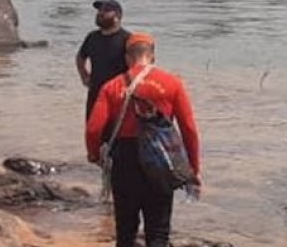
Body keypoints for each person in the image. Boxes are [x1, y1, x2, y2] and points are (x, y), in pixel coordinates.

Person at [85, 33, 201, 247]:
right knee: (158, 232)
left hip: (125, 160)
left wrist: (94, 155)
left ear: (127, 58)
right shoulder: (172, 83)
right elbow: (189, 129)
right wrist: (193, 168)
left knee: (126, 231)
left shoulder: (112, 86)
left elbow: (93, 129)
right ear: (153, 56)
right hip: (161, 160)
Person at [75, 0, 131, 118]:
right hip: (95, 95)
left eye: (105, 10)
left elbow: (136, 67)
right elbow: (80, 57)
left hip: (118, 97)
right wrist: (84, 76)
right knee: (92, 132)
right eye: (99, 10)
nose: (100, 13)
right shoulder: (92, 37)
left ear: (117, 15)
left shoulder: (127, 39)